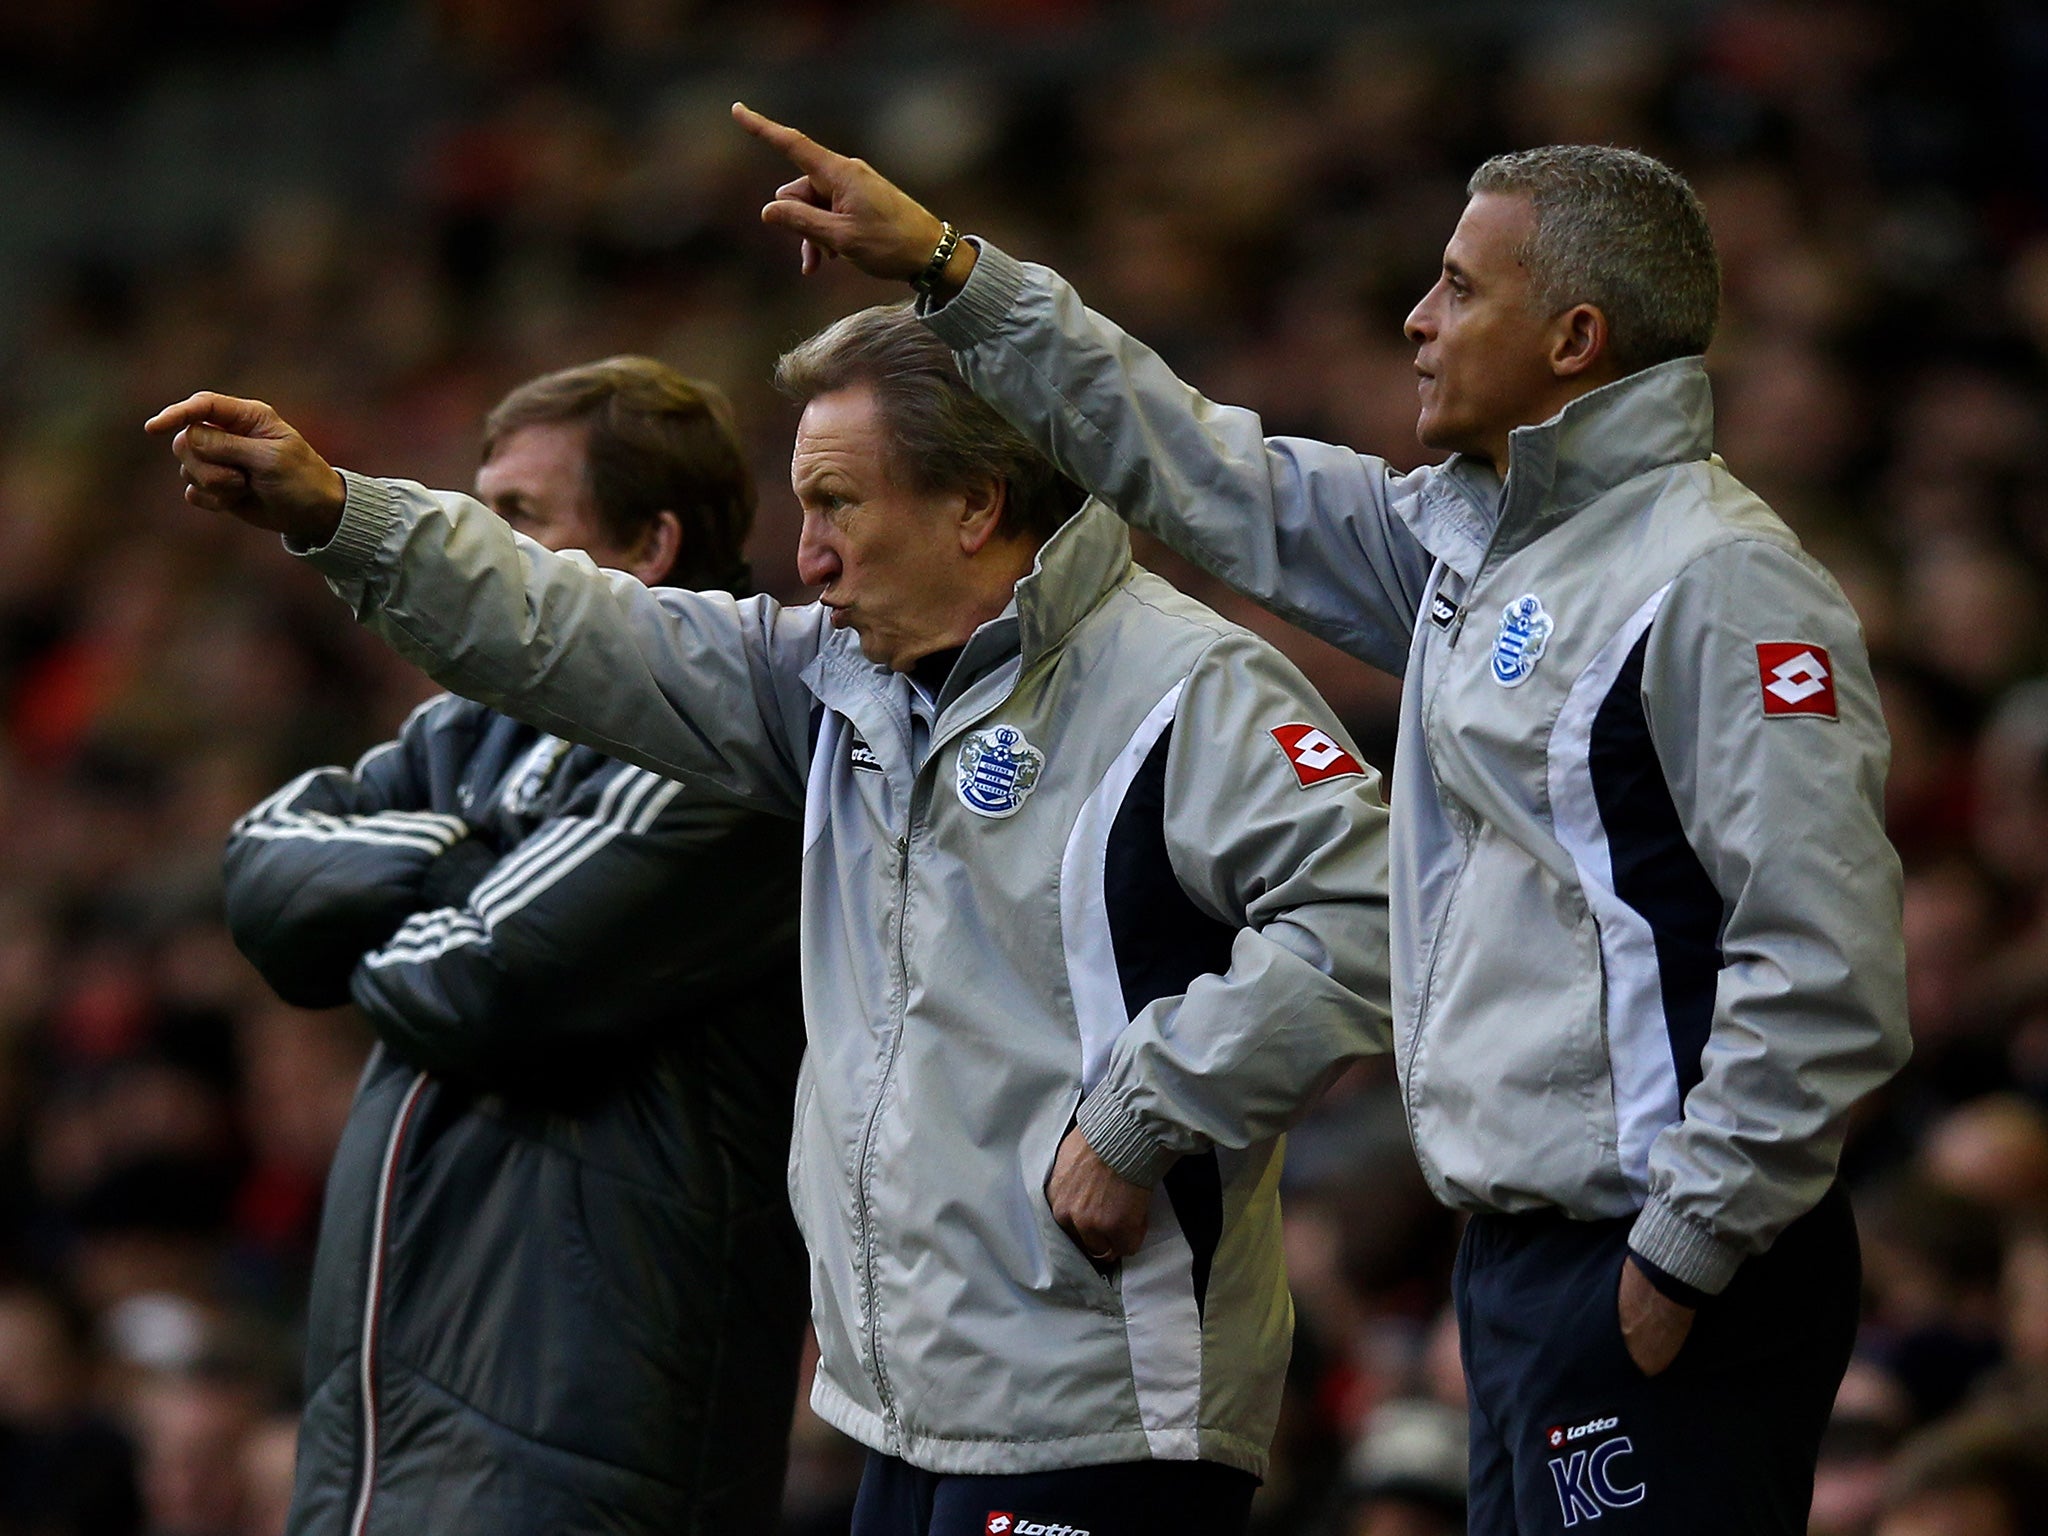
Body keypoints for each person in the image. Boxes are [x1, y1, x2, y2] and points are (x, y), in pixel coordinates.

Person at [730, 105, 1913, 1534]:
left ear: (1576, 341)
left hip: (1661, 1252)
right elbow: (1196, 463)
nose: (1419, 320)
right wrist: (951, 269)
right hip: (1531, 1257)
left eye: (1462, 289)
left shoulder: (1721, 582)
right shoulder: (1463, 551)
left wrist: (1682, 1252)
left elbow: (1829, 971)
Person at [148, 302, 1396, 1536]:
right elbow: (566, 623)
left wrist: (1142, 1113)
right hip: (901, 1418)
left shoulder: (1185, 686)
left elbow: (1370, 909)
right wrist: (336, 512)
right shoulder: (827, 687)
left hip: (1101, 1408)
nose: (806, 557)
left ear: (975, 505)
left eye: (838, 505)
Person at [218, 358, 809, 1535]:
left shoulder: (735, 747)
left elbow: (476, 978)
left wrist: (395, 906)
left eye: (517, 521)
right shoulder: (467, 727)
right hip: (391, 1433)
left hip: (579, 1439)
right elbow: (259, 871)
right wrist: (471, 858)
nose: (470, 552)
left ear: (647, 545)